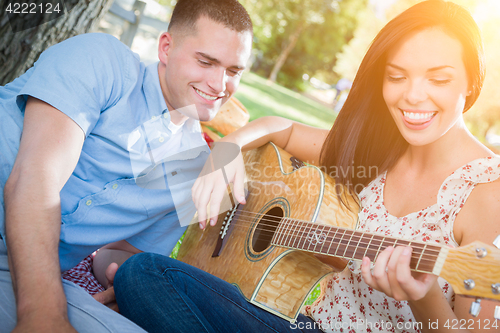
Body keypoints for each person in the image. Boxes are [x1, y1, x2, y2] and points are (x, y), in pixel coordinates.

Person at [113, 1, 500, 332]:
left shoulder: (488, 190)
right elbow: (281, 128)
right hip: (301, 323)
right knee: (145, 273)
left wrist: (424, 296)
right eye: (396, 76)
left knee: (140, 279)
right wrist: (226, 149)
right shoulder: (380, 149)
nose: (413, 95)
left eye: (439, 78)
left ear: (471, 81)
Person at [0, 0, 253, 331]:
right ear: (166, 47)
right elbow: (34, 179)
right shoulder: (101, 59)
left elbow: (119, 252)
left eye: (233, 71)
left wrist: (125, 281)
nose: (220, 86)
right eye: (206, 61)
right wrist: (44, 314)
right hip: (36, 282)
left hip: (27, 271)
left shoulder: (196, 169)